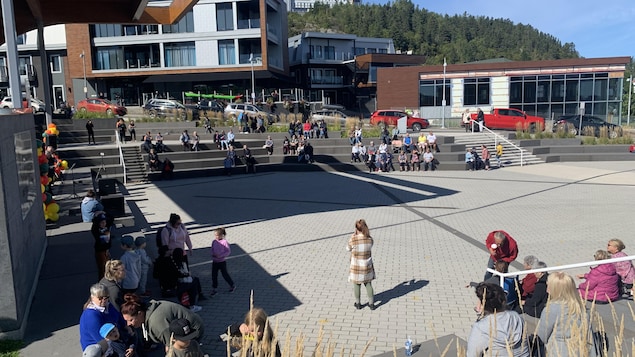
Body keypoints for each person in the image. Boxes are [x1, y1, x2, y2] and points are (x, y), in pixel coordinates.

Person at [536, 272, 595, 357]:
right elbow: (589, 335)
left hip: (558, 351)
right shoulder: (580, 307)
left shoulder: (551, 309)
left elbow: (542, 337)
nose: (547, 290)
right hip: (580, 350)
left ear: (556, 290)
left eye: (549, 286)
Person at [120, 294, 205, 350]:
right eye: (126, 321)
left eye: (130, 320)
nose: (128, 324)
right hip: (192, 321)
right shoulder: (148, 308)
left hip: (193, 329)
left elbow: (172, 346)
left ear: (139, 313)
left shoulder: (156, 324)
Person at [466, 283, 529, 357]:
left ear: (482, 305)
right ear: (503, 301)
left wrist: (479, 315)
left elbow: (472, 354)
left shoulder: (481, 328)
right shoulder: (516, 317)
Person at [80, 283, 136, 357]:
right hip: (100, 343)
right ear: (92, 297)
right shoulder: (91, 315)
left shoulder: (108, 305)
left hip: (113, 333)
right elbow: (101, 339)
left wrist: (126, 326)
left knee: (133, 334)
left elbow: (118, 317)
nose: (103, 300)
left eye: (106, 297)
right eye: (100, 298)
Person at [347, 219, 376, 310]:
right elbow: (370, 245)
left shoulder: (354, 239)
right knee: (368, 284)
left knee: (356, 285)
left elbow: (348, 248)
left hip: (356, 266)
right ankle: (371, 304)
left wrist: (352, 236)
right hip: (367, 266)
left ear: (356, 229)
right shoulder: (370, 239)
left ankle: (358, 303)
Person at [170, 248, 204, 313]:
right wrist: (188, 274)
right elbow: (181, 275)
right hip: (179, 284)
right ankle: (192, 304)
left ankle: (199, 295)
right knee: (193, 285)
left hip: (179, 282)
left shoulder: (174, 261)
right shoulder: (179, 264)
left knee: (196, 280)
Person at [210, 227, 236, 296]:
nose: (216, 237)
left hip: (221, 262)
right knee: (214, 275)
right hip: (215, 261)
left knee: (225, 274)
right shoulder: (214, 241)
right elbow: (212, 249)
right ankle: (214, 288)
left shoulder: (224, 242)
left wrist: (221, 255)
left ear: (222, 235)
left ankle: (232, 285)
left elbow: (228, 251)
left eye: (217, 235)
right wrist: (213, 254)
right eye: (215, 235)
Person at [91, 214, 112, 280]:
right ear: (98, 223)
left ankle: (107, 279)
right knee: (102, 268)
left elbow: (111, 219)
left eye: (104, 222)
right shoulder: (96, 230)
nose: (104, 224)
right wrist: (96, 217)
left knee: (108, 267)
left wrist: (104, 213)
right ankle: (102, 282)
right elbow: (94, 226)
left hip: (106, 250)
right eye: (102, 222)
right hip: (100, 250)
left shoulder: (106, 227)